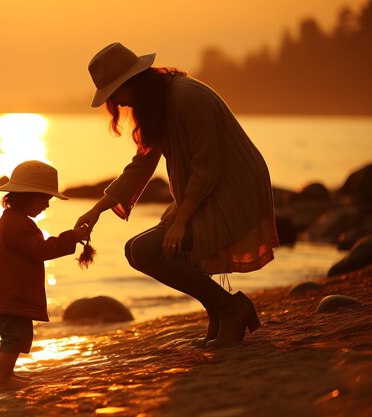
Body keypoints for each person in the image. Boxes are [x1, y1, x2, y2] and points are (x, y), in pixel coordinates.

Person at [76, 42, 279, 348]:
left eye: (115, 94)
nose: (118, 103)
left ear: (131, 82)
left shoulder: (186, 98)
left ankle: (231, 309)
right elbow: (142, 164)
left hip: (233, 190)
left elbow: (206, 167)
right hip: (205, 190)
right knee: (135, 249)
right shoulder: (159, 103)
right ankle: (221, 312)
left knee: (149, 250)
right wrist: (98, 210)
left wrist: (182, 220)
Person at [0, 160, 90, 390]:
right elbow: (40, 250)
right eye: (45, 199)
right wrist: (71, 236)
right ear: (27, 196)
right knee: (13, 335)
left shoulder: (13, 221)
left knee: (18, 335)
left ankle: (7, 375)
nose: (47, 206)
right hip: (11, 296)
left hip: (11, 294)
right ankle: (2, 380)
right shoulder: (17, 225)